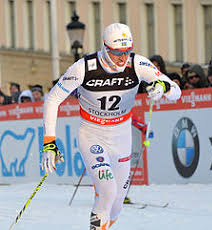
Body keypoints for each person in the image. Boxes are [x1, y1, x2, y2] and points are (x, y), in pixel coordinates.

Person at [41, 23, 181, 229]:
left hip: (121, 136)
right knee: (107, 189)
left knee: (116, 205)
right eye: (117, 53)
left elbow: (176, 91)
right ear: (105, 48)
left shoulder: (137, 64)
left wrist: (162, 88)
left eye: (127, 52)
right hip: (92, 134)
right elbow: (52, 99)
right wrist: (49, 142)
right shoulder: (83, 68)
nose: (123, 59)